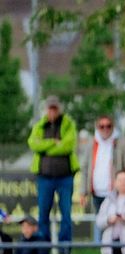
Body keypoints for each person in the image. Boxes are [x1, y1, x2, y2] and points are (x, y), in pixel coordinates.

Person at [80, 114, 125, 254]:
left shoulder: (120, 144)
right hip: (98, 194)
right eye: (101, 126)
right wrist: (83, 191)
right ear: (97, 128)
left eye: (108, 126)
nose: (105, 129)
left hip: (115, 194)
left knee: (121, 230)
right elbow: (85, 168)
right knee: (104, 230)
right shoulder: (92, 144)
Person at [27, 96, 79, 245]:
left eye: (55, 108)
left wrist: (45, 148)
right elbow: (33, 144)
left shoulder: (68, 124)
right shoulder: (40, 125)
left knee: (66, 214)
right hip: (45, 178)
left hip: (65, 177)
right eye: (50, 108)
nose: (52, 112)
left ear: (59, 109)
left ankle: (65, 247)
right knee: (43, 213)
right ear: (46, 109)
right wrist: (53, 142)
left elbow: (67, 146)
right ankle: (44, 246)